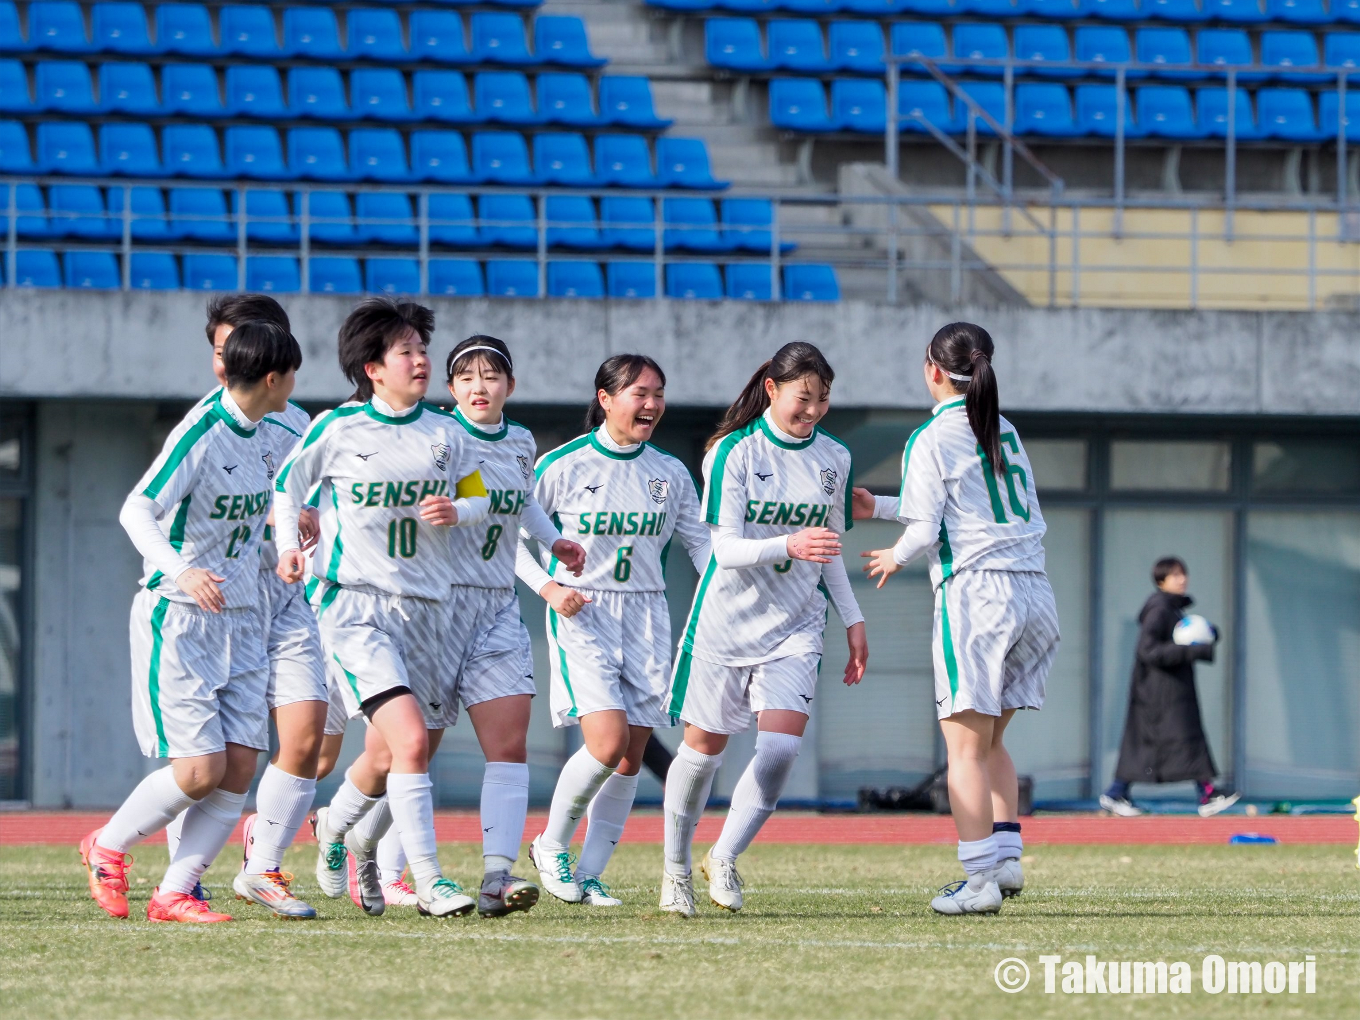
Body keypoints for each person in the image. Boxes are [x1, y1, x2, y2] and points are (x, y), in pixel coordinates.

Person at [273, 296, 491, 918]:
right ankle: (429, 880)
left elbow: (480, 496)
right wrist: (291, 548)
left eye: (423, 350)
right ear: (373, 367)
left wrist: (460, 509)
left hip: (430, 611)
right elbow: (286, 488)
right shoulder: (337, 429)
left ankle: (341, 831)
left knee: (384, 755)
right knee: (411, 741)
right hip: (355, 609)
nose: (422, 361)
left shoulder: (447, 435)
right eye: (407, 352)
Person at [80, 321, 302, 923]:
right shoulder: (202, 432)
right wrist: (182, 571)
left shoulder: (280, 427)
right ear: (274, 377)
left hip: (245, 618)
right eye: (293, 376)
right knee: (199, 771)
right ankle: (106, 845)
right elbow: (136, 509)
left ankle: (175, 891)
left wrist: (288, 539)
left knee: (237, 768)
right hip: (181, 619)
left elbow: (285, 499)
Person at [857, 321, 1059, 916]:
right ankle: (1006, 857)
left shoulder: (931, 435)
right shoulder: (1006, 427)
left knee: (963, 749)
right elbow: (972, 511)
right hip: (1034, 594)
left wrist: (895, 553)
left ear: (933, 370)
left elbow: (927, 529)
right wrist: (884, 507)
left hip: (978, 595)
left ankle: (978, 883)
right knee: (991, 738)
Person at [659, 342, 868, 917]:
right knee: (702, 753)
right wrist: (787, 543)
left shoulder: (835, 458)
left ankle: (723, 856)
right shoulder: (732, 452)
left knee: (779, 748)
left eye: (823, 400)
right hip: (725, 623)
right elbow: (722, 548)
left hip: (797, 623)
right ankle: (675, 870)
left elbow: (827, 549)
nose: (814, 411)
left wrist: (853, 618)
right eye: (804, 399)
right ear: (772, 390)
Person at [517, 354, 709, 907]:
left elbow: (700, 543)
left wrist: (730, 587)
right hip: (585, 615)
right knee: (606, 743)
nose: (651, 404)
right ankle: (550, 844)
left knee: (631, 756)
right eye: (638, 393)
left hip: (649, 617)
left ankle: (591, 872)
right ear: (605, 398)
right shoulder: (562, 464)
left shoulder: (670, 472)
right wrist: (549, 588)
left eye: (658, 393)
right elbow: (510, 533)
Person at [161, 295, 328, 920]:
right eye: (219, 351)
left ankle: (263, 867)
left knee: (307, 736)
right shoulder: (206, 425)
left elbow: (325, 498)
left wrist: (310, 515)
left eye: (240, 348)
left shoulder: (296, 423)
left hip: (281, 600)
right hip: (221, 604)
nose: (225, 362)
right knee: (210, 756)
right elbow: (162, 513)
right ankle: (185, 875)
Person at [1100, 557, 1238, 818]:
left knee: (1164, 744)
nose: (1182, 579)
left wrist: (1208, 634)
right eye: (1175, 575)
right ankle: (1207, 793)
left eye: (1183, 574)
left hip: (1170, 692)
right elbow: (1148, 650)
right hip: (1158, 696)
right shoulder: (1159, 609)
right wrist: (1192, 649)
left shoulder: (1173, 609)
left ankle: (1117, 792)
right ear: (1161, 581)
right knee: (1183, 740)